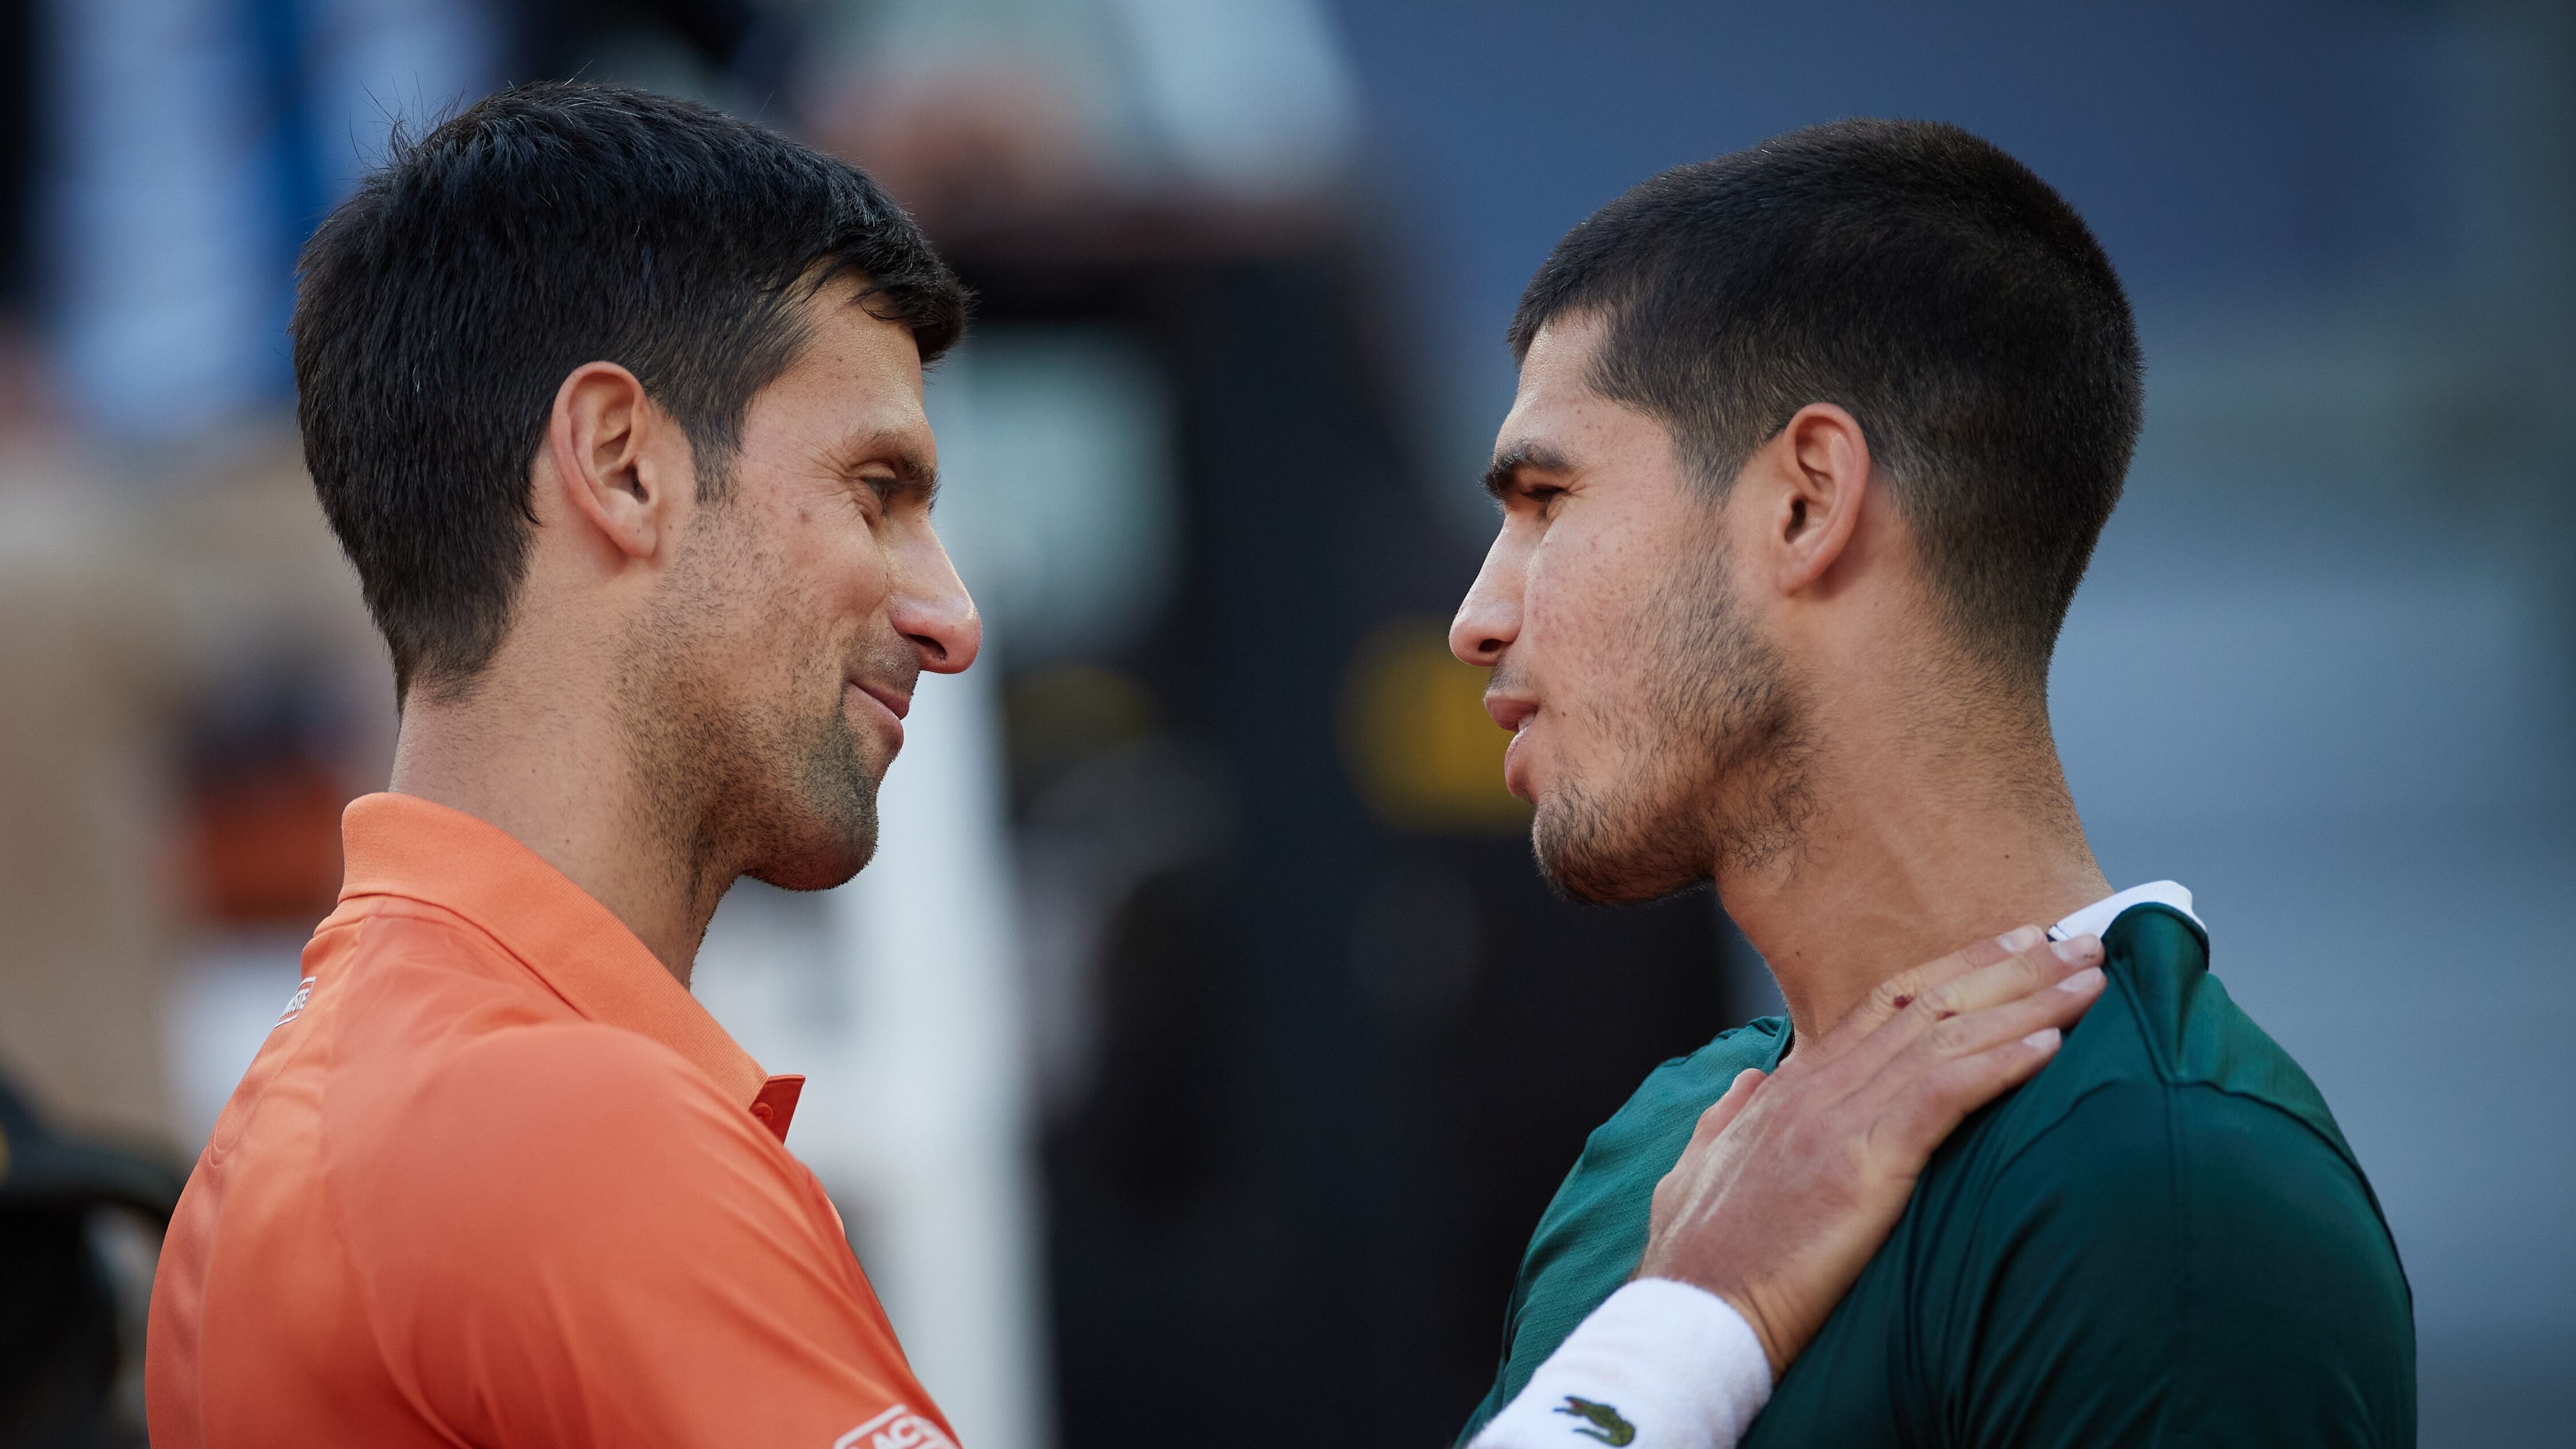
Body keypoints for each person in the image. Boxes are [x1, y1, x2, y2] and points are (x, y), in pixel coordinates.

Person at [143, 84, 2107, 1448]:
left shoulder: (295, 1132)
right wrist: (1699, 1316)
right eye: (878, 489)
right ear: (623, 466)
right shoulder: (554, 1134)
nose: (949, 613)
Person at [1448, 119, 2416, 1449]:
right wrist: (1694, 1316)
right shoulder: (1664, 1158)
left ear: (1805, 502)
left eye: (1548, 500)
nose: (1478, 618)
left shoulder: (2173, 1198)